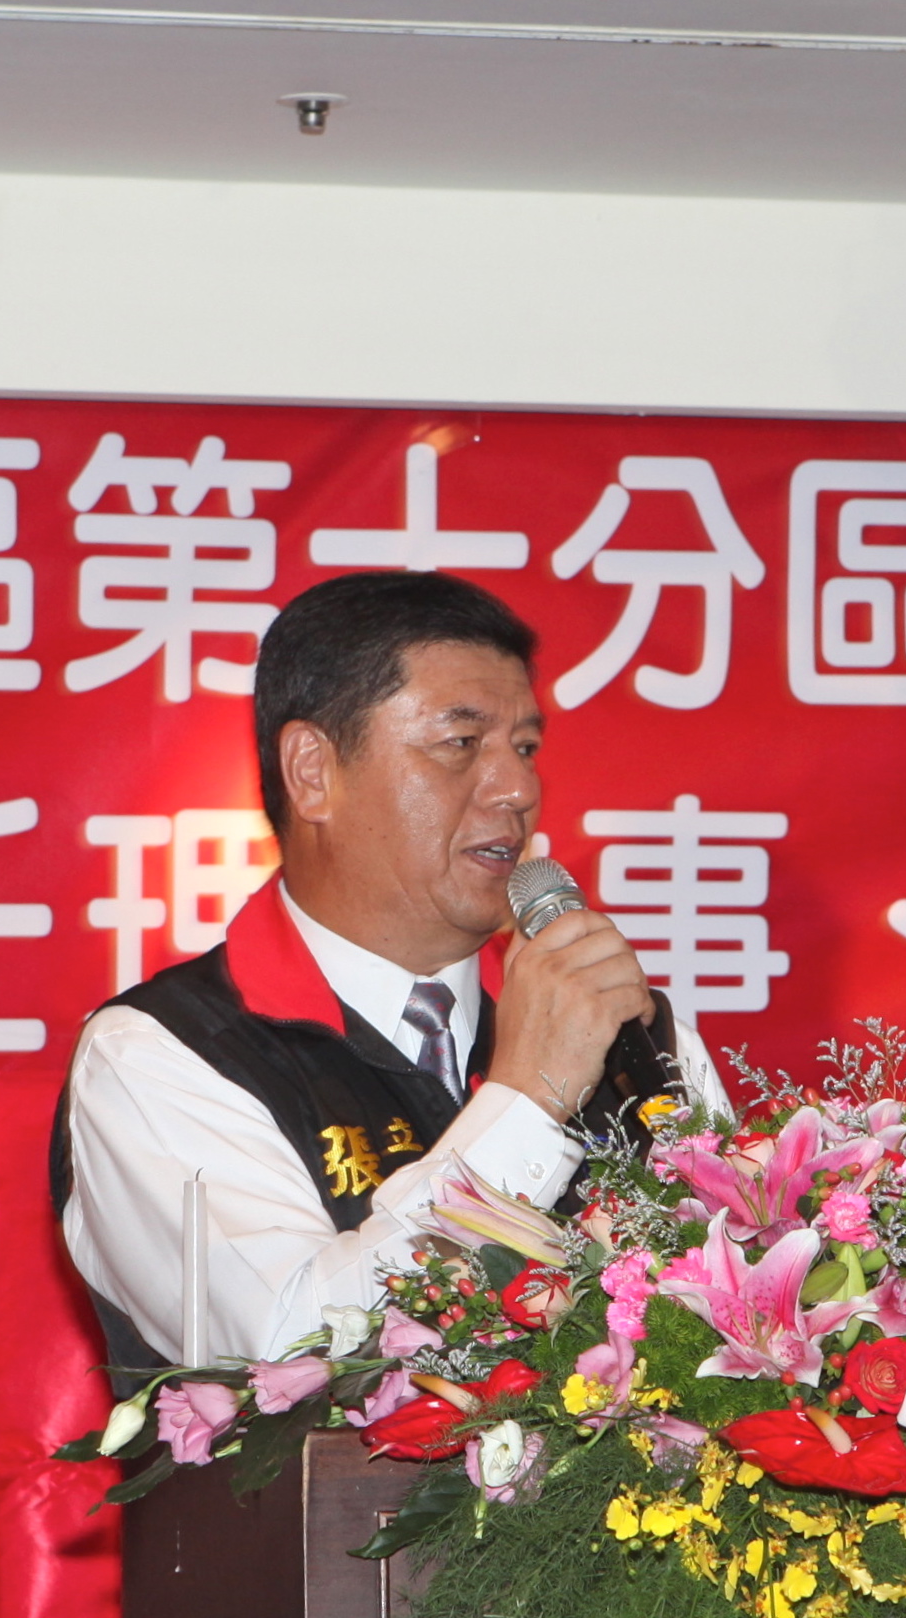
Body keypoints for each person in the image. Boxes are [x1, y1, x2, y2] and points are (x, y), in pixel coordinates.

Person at [59, 571, 723, 1369]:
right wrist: (528, 1102)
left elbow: (746, 1303)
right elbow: (289, 1353)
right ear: (312, 771)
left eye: (524, 748)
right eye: (460, 743)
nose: (518, 789)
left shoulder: (630, 1030)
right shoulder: (163, 1053)